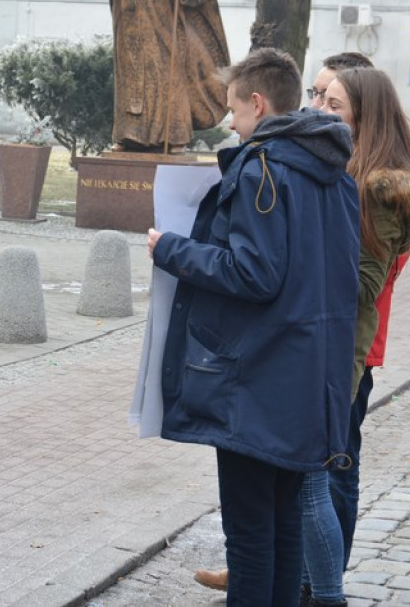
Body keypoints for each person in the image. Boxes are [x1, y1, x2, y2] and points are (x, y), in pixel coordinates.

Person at [147, 47, 360, 605]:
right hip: (308, 376)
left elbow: (254, 272)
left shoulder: (261, 167)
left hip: (256, 378)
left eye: (234, 110)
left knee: (249, 536)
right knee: (284, 526)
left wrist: (172, 249)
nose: (230, 123)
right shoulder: (335, 173)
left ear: (259, 104)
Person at [298, 68, 410, 606]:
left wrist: (301, 250)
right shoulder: (352, 174)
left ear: (365, 118)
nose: (320, 110)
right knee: (313, 479)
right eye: (318, 98)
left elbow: (364, 285)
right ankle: (305, 582)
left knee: (320, 480)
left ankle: (320, 589)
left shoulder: (378, 189)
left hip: (338, 354)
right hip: (326, 346)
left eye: (333, 104)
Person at [73, 0, 229, 152]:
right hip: (127, 38)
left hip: (160, 38)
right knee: (129, 86)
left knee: (166, 86)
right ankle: (127, 136)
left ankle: (173, 137)